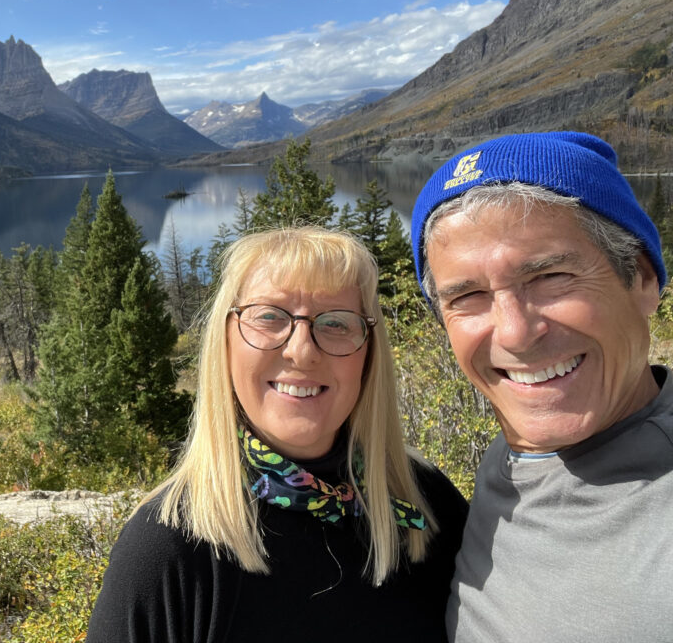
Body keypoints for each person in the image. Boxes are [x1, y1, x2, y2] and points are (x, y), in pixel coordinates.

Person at [86, 226, 468, 642]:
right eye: (269, 317)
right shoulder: (169, 546)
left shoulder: (424, 503)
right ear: (226, 341)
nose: (302, 350)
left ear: (369, 353)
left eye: (336, 323)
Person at [409, 131, 673, 643]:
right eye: (467, 296)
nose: (514, 333)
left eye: (550, 276)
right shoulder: (512, 460)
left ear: (642, 279)